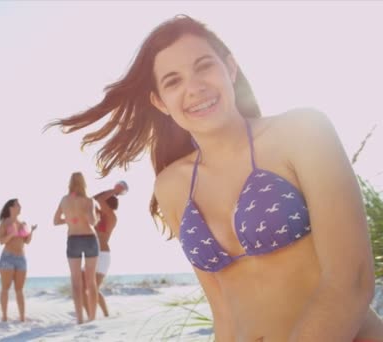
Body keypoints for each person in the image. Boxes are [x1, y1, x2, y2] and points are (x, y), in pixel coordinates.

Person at [45, 15, 383, 341]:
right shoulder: (172, 187)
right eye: (173, 81)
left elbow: (350, 281)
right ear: (160, 102)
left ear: (230, 68)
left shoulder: (301, 132)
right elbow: (223, 312)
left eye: (204, 65)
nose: (194, 88)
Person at [53, 172, 99, 324]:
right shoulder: (89, 200)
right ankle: (92, 317)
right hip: (89, 238)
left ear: (70, 183)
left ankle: (80, 319)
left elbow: (56, 221)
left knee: (76, 282)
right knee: (91, 281)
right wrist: (89, 214)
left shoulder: (64, 200)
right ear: (84, 183)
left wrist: (70, 220)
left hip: (73, 239)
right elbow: (92, 222)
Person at [82, 182, 127, 318]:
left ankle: (93, 316)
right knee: (89, 287)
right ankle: (103, 315)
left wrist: (114, 191)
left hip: (102, 255)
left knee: (89, 287)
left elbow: (98, 200)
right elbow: (92, 200)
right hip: (94, 254)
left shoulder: (111, 216)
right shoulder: (98, 217)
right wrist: (110, 191)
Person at [0, 198, 37, 322]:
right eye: (17, 205)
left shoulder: (23, 223)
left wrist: (31, 232)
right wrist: (12, 233)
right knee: (5, 288)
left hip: (21, 258)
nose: (20, 207)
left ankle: (22, 317)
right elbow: (1, 241)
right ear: (11, 208)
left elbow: (27, 241)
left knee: (19, 289)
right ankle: (4, 316)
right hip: (7, 258)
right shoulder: (4, 223)